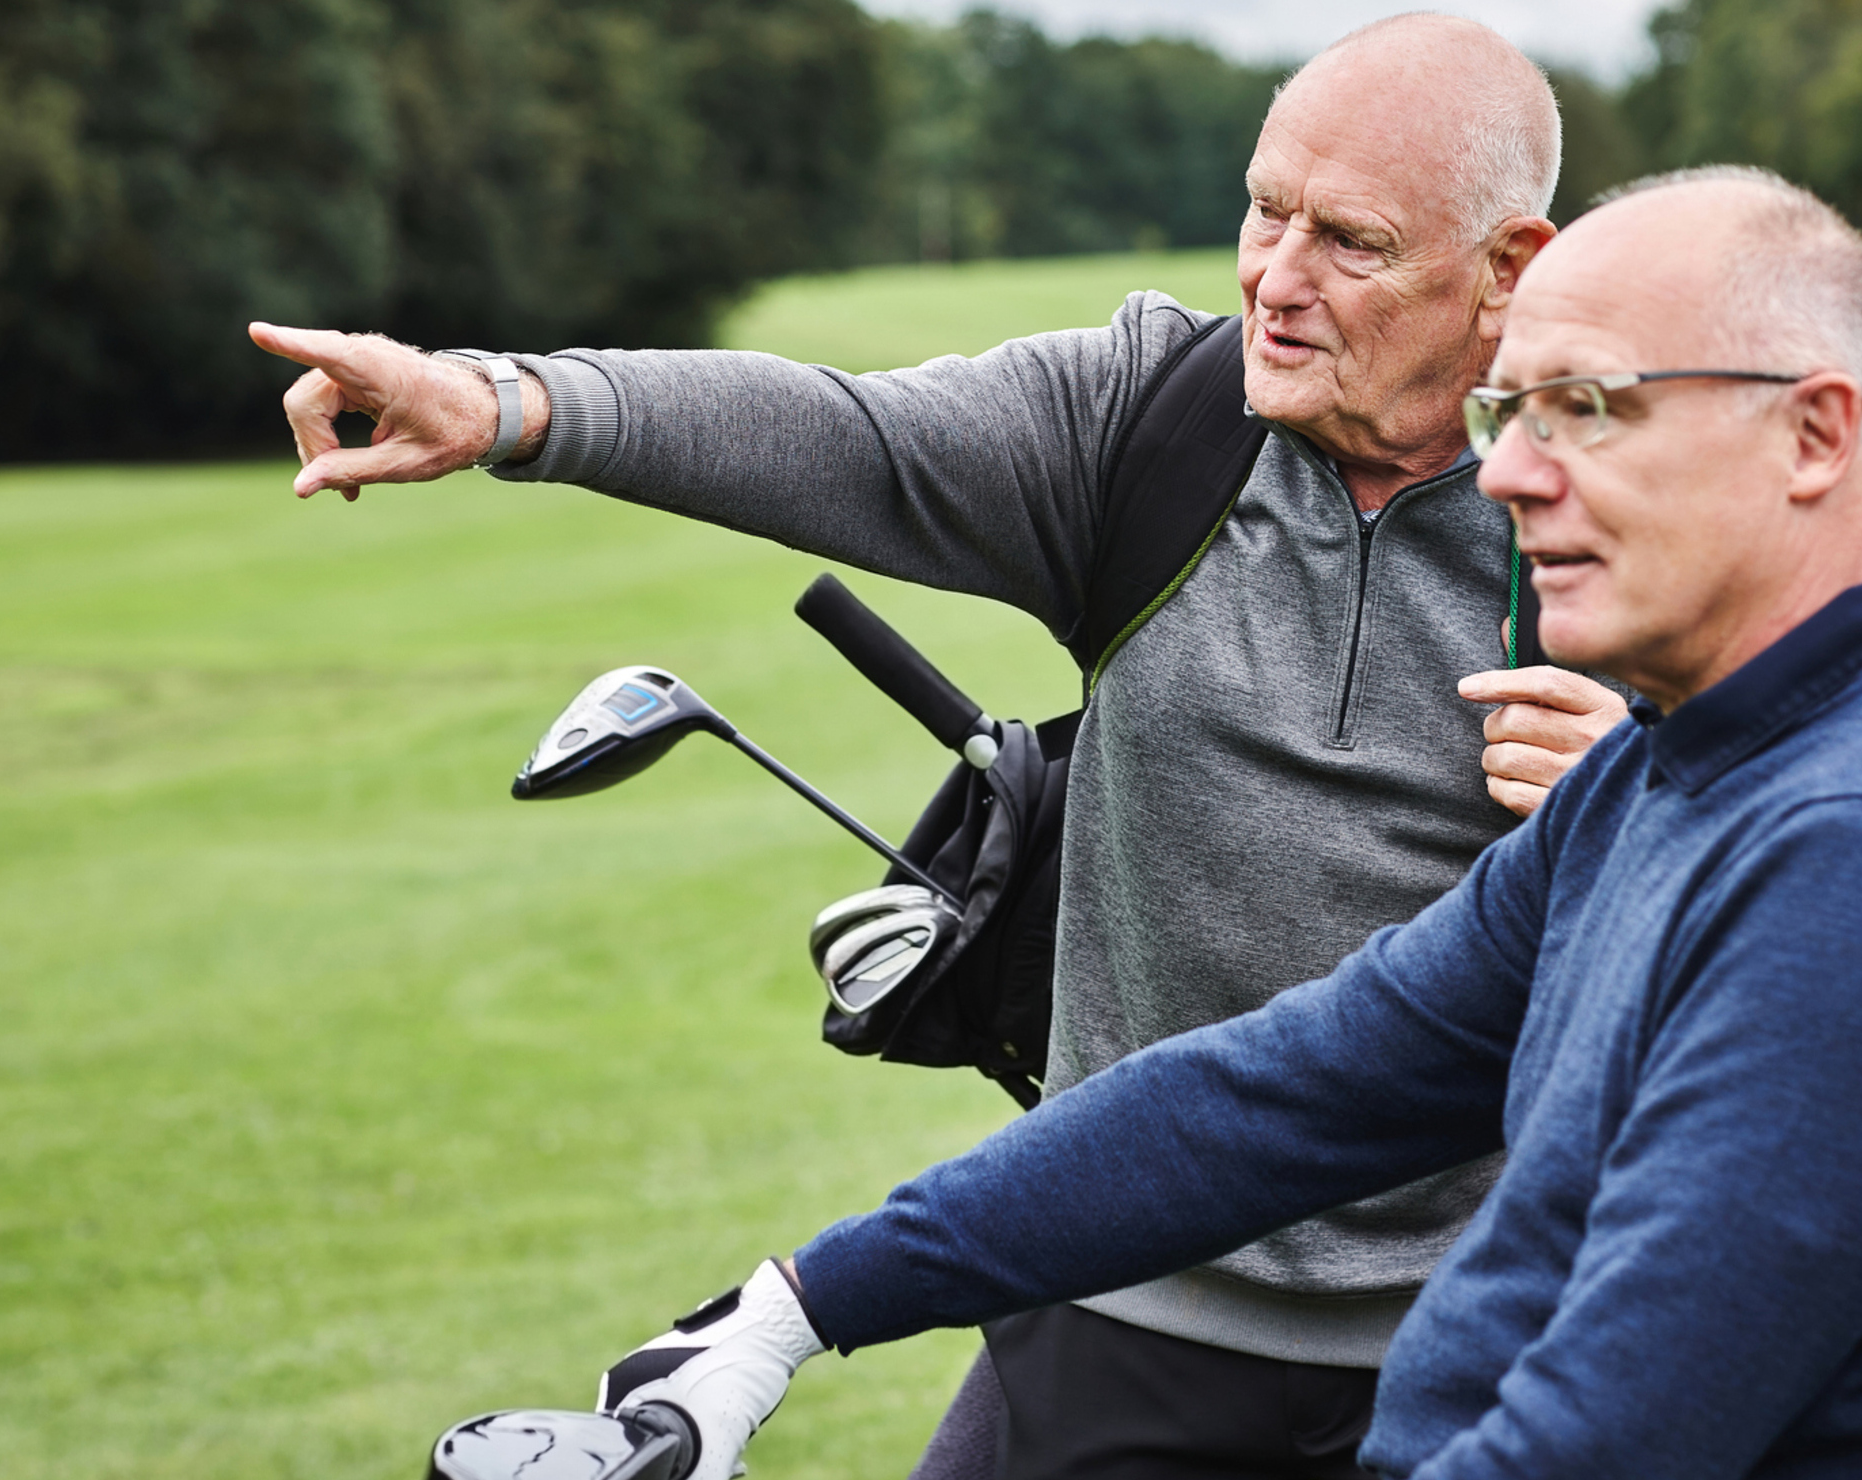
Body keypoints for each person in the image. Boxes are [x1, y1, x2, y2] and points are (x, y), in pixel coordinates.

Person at [253, 16, 1631, 1478]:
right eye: (1264, 211)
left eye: (1348, 242)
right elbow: (847, 436)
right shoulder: (1152, 423)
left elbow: (1821, 827)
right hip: (1116, 1287)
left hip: (1489, 1334)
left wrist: (1660, 781)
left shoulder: (1628, 507)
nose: (1274, 281)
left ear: (1509, 269)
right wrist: (507, 403)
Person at [590, 167, 1862, 1480]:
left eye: (1588, 408)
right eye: (1513, 409)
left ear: (1813, 436)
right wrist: (794, 1304)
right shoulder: (1676, 772)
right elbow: (1291, 1091)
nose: (1509, 471)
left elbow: (1607, 1442)